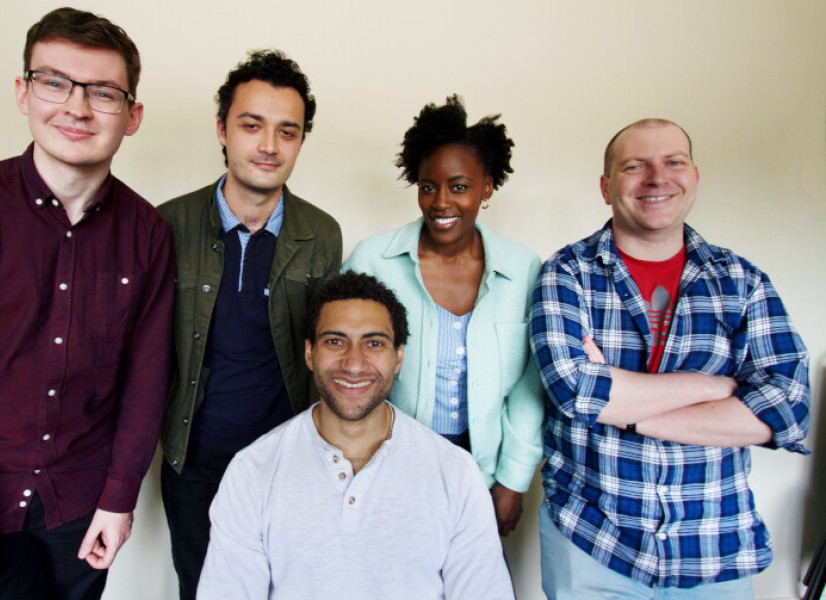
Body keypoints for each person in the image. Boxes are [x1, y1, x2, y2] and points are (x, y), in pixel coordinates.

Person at [0, 7, 174, 599]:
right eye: (54, 83)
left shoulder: (148, 232)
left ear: (132, 115)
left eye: (103, 92)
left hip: (83, 507)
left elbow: (146, 381)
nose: (76, 108)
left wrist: (120, 499)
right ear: (23, 92)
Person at [530, 118, 810, 598]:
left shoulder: (742, 282)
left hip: (715, 548)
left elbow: (786, 409)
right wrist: (715, 387)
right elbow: (576, 391)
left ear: (694, 176)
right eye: (635, 166)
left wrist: (627, 409)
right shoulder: (567, 272)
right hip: (593, 541)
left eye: (673, 162)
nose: (657, 178)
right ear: (606, 186)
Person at [197, 271, 514, 599]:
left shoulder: (455, 472)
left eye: (374, 343)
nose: (353, 363)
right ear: (309, 353)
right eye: (335, 341)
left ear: (398, 358)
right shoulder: (252, 470)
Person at [156, 49, 342, 599]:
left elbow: (326, 354)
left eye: (288, 131)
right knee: (203, 586)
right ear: (222, 130)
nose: (268, 145)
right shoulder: (167, 224)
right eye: (251, 125)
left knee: (289, 587)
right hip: (192, 459)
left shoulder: (321, 233)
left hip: (288, 459)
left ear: (301, 141)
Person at [343, 94, 544, 536]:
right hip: (384, 466)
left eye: (459, 186)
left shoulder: (524, 271)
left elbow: (531, 386)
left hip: (483, 472)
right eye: (428, 186)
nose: (441, 202)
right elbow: (339, 367)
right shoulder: (372, 261)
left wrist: (512, 481)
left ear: (487, 187)